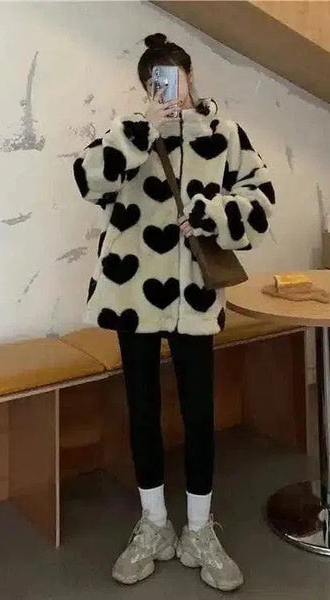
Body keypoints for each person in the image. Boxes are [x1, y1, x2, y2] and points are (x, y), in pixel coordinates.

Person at [73, 32, 275, 592]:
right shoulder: (129, 132)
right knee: (142, 410)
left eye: (174, 78)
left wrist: (211, 212)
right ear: (145, 86)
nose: (168, 90)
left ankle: (200, 530)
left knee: (199, 412)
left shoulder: (224, 133)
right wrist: (141, 129)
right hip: (133, 292)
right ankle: (154, 524)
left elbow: (261, 202)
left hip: (194, 295)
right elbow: (88, 180)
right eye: (155, 82)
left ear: (190, 77)